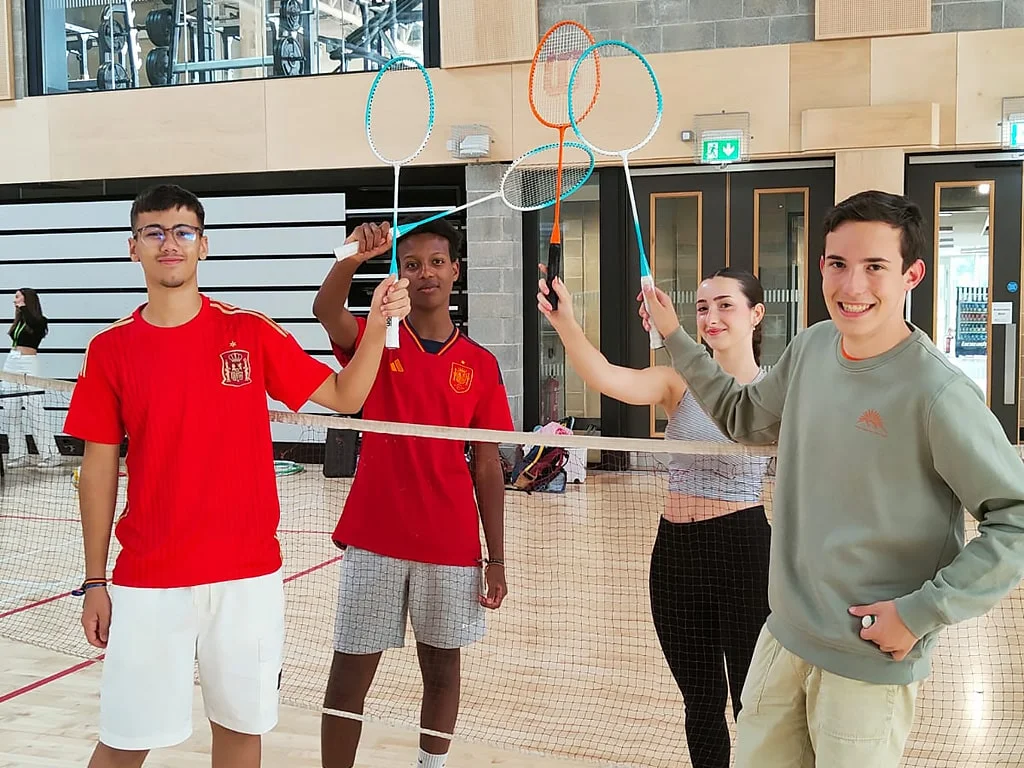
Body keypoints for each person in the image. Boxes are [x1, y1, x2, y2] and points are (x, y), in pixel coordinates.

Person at [639, 189, 1024, 768]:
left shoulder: (937, 392)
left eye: (875, 267)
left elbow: (1014, 520)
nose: (852, 286)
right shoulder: (812, 347)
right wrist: (676, 336)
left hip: (869, 658)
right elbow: (743, 415)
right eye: (839, 264)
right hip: (783, 638)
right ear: (820, 265)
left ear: (912, 274)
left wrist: (919, 614)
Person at [62, 183, 410, 768]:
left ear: (204, 246)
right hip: (150, 578)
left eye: (182, 232)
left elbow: (347, 397)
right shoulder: (110, 349)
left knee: (242, 734)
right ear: (133, 248)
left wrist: (375, 323)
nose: (169, 243)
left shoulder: (248, 332)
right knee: (124, 741)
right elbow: (98, 471)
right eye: (154, 232)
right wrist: (95, 581)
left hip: (246, 578)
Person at [537, 265, 772, 768]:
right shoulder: (676, 383)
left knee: (752, 703)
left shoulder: (772, 391)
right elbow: (605, 376)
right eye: (703, 307)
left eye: (725, 305)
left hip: (744, 554)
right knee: (701, 702)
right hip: (676, 557)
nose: (711, 317)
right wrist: (566, 325)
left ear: (756, 314)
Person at [313, 218, 514, 768]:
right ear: (398, 273)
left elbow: (489, 469)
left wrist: (496, 559)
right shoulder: (377, 342)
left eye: (435, 263)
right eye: (411, 264)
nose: (424, 273)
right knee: (348, 677)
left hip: (449, 544)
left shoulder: (480, 364)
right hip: (375, 539)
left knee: (443, 672)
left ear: (455, 271)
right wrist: (351, 257)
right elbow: (326, 313)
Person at [2, 287, 60, 468]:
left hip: (28, 363)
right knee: (11, 410)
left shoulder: (39, 320)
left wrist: (24, 308)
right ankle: (18, 455)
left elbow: (35, 324)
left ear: (27, 299)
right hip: (11, 362)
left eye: (18, 297)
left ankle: (50, 455)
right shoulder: (19, 320)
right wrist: (20, 311)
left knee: (35, 409)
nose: (15, 301)